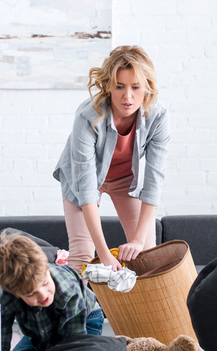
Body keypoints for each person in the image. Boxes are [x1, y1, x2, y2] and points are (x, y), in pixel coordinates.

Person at [53, 45, 170, 272]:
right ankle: (83, 309)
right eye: (119, 87)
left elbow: (154, 183)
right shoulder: (88, 116)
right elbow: (87, 190)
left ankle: (137, 309)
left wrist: (137, 241)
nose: (128, 96)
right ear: (108, 86)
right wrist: (104, 254)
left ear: (147, 87)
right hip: (81, 181)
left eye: (136, 87)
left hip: (124, 180)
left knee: (146, 254)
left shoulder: (158, 116)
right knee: (83, 256)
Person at [0, 232, 104, 351]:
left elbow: (73, 345)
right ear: (15, 293)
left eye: (45, 283)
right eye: (30, 294)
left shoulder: (69, 291)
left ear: (47, 268)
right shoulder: (3, 298)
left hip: (84, 321)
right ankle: (31, 349)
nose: (43, 295)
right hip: (39, 331)